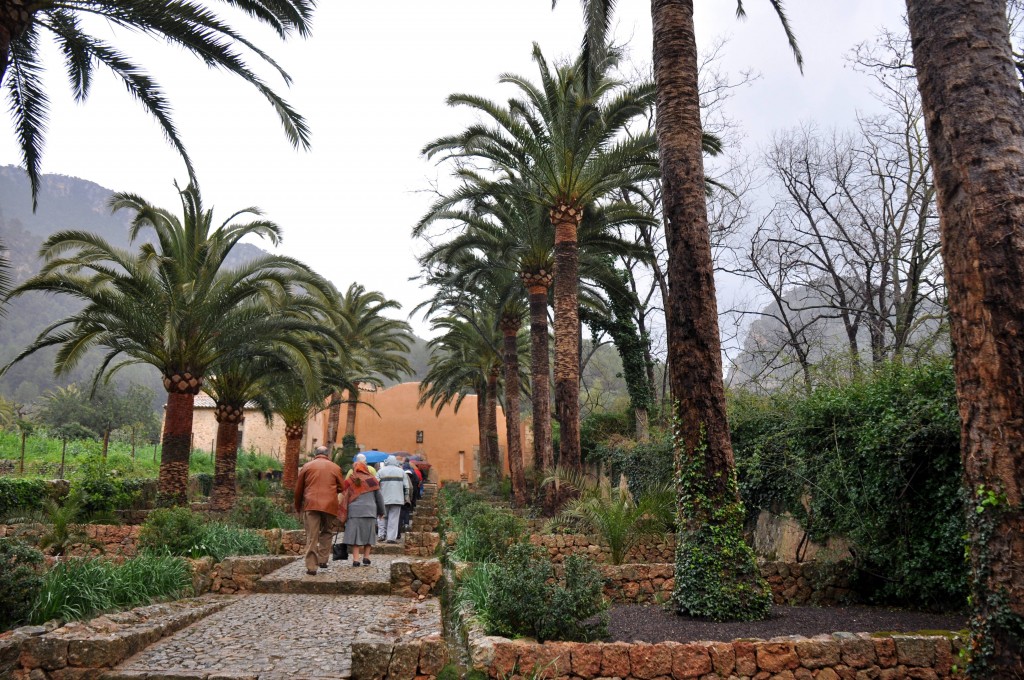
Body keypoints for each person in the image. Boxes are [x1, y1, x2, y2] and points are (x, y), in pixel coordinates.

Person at [293, 446, 345, 576]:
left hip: (311, 504)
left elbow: (299, 489)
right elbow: (342, 487)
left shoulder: (307, 466)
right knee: (327, 531)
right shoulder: (335, 467)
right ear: (328, 454)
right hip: (329, 505)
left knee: (312, 535)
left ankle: (311, 566)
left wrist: (298, 506)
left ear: (315, 454)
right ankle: (323, 560)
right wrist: (331, 492)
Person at [341, 460, 385, 567]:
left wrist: (342, 511)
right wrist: (382, 511)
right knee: (369, 534)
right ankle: (366, 557)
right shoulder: (372, 480)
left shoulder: (351, 480)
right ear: (365, 468)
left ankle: (356, 559)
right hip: (370, 511)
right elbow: (379, 497)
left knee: (355, 536)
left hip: (354, 512)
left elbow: (343, 494)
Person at [377, 455, 410, 543]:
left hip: (383, 498)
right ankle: (391, 538)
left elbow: (376, 485)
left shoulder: (380, 471)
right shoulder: (401, 472)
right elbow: (406, 487)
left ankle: (381, 535)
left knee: (381, 517)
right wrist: (406, 497)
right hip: (397, 499)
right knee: (394, 519)